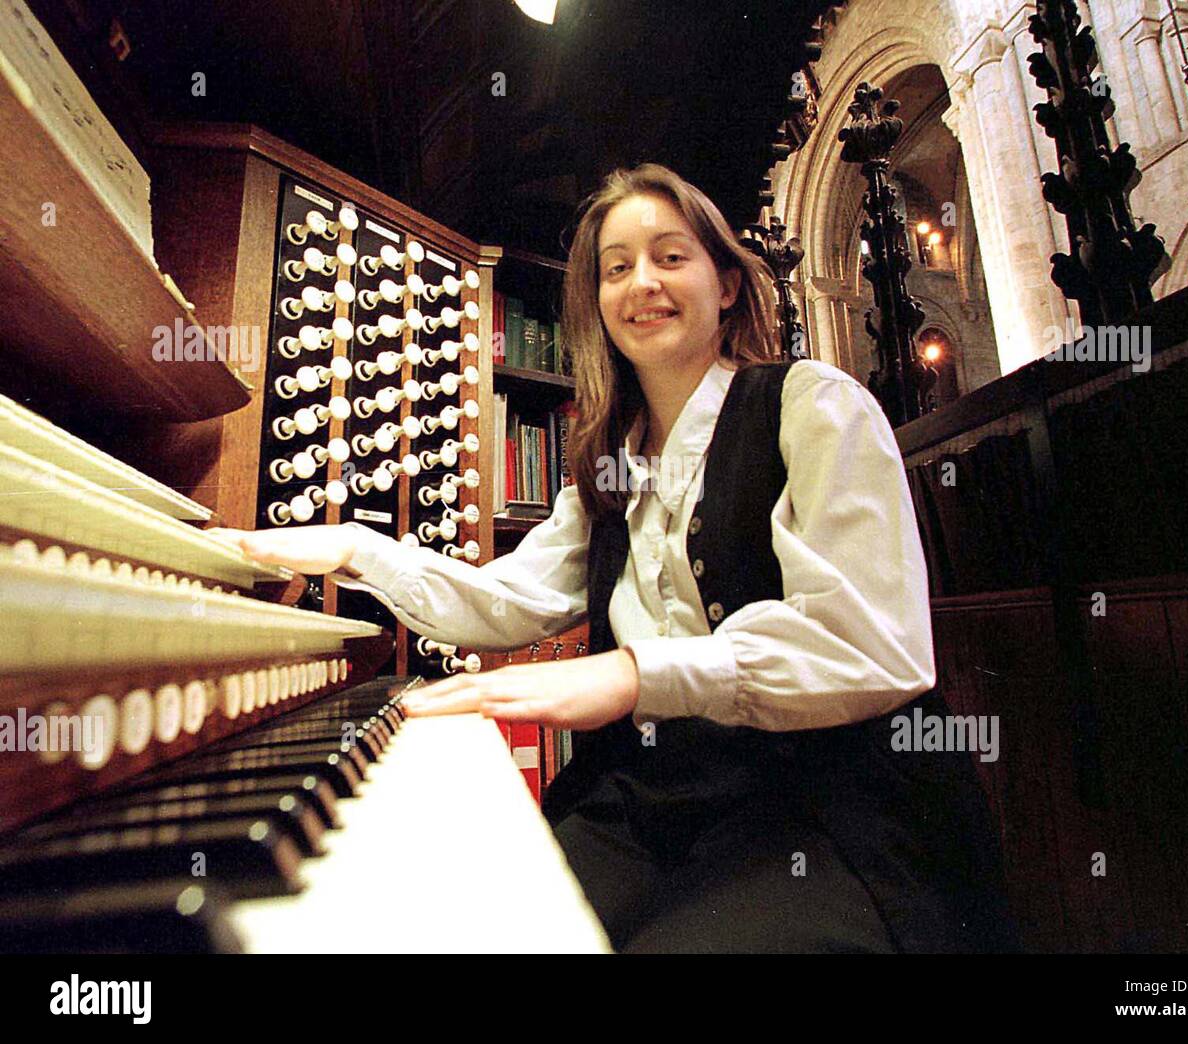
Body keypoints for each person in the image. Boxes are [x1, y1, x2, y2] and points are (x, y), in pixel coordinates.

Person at [220, 163, 1020, 954]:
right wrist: (356, 549)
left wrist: (634, 674)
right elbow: (504, 603)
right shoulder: (610, 463)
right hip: (655, 797)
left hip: (822, 798)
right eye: (617, 267)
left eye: (671, 256)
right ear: (597, 302)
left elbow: (876, 642)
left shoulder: (813, 404)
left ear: (727, 284)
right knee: (481, 928)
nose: (643, 282)